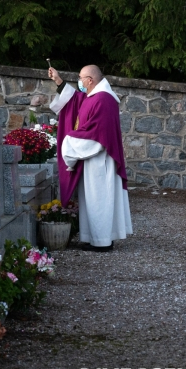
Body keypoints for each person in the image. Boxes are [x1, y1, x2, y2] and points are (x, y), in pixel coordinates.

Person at [48, 65, 132, 252]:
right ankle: (91, 237)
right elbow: (77, 101)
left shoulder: (104, 100)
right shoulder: (95, 95)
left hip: (99, 159)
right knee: (90, 199)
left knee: (99, 198)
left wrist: (69, 143)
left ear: (90, 80)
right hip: (91, 159)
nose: (80, 82)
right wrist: (59, 81)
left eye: (81, 78)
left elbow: (98, 133)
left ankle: (102, 241)